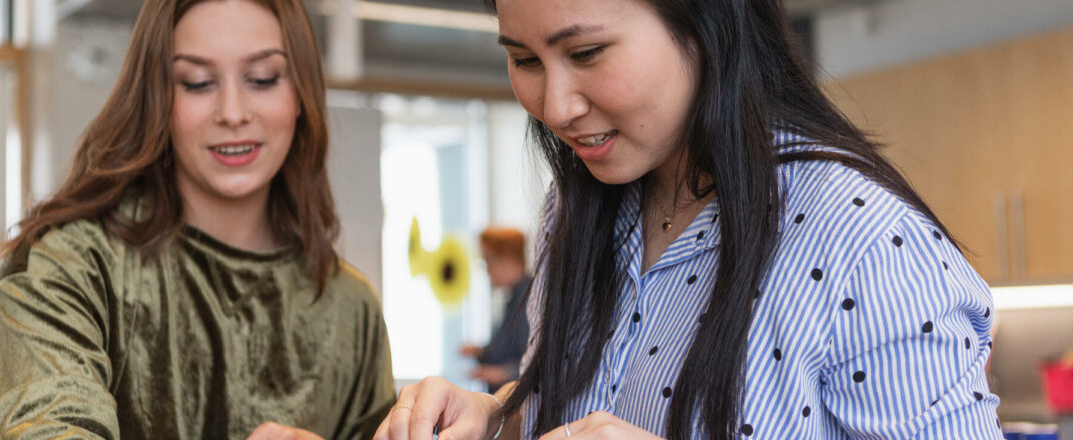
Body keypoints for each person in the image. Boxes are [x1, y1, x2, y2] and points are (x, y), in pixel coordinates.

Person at [374, 0, 1003, 439]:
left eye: (586, 52)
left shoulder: (862, 238)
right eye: (526, 60)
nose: (556, 107)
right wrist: (493, 415)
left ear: (705, 23)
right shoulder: (577, 207)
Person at [0, 1, 394, 439]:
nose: (233, 113)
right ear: (157, 95)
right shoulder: (70, 268)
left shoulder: (350, 307)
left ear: (301, 94)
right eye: (197, 83)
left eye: (263, 79)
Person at [461, 227, 531, 393]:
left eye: (488, 261)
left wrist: (499, 374)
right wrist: (480, 351)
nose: (487, 271)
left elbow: (535, 362)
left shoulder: (529, 300)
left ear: (506, 259)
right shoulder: (514, 299)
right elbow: (507, 349)